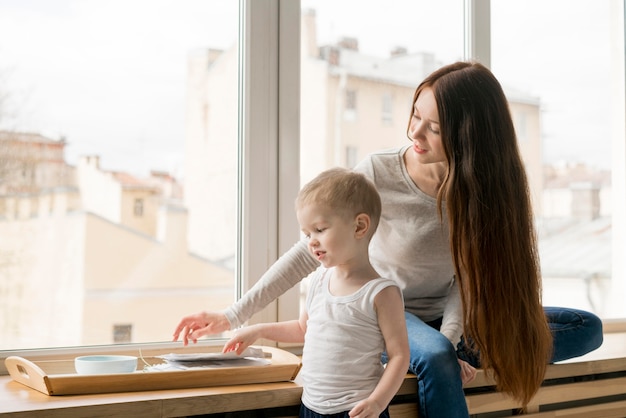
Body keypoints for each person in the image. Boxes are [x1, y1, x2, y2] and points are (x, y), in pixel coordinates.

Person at [173, 61, 604, 417]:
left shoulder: (481, 193)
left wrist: (451, 340)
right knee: (434, 356)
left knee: (587, 329)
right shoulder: (378, 173)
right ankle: (418, 355)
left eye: (434, 128)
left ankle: (447, 354)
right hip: (386, 317)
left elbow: (466, 283)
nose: (414, 134)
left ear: (470, 136)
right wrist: (232, 315)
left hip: (451, 321)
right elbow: (309, 251)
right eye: (416, 116)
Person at [223, 167, 410, 418]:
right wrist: (257, 330)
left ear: (359, 227)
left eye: (320, 230)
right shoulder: (320, 280)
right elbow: (304, 329)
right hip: (311, 407)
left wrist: (377, 403)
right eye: (307, 233)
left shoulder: (380, 293)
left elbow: (399, 356)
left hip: (357, 411)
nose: (311, 241)